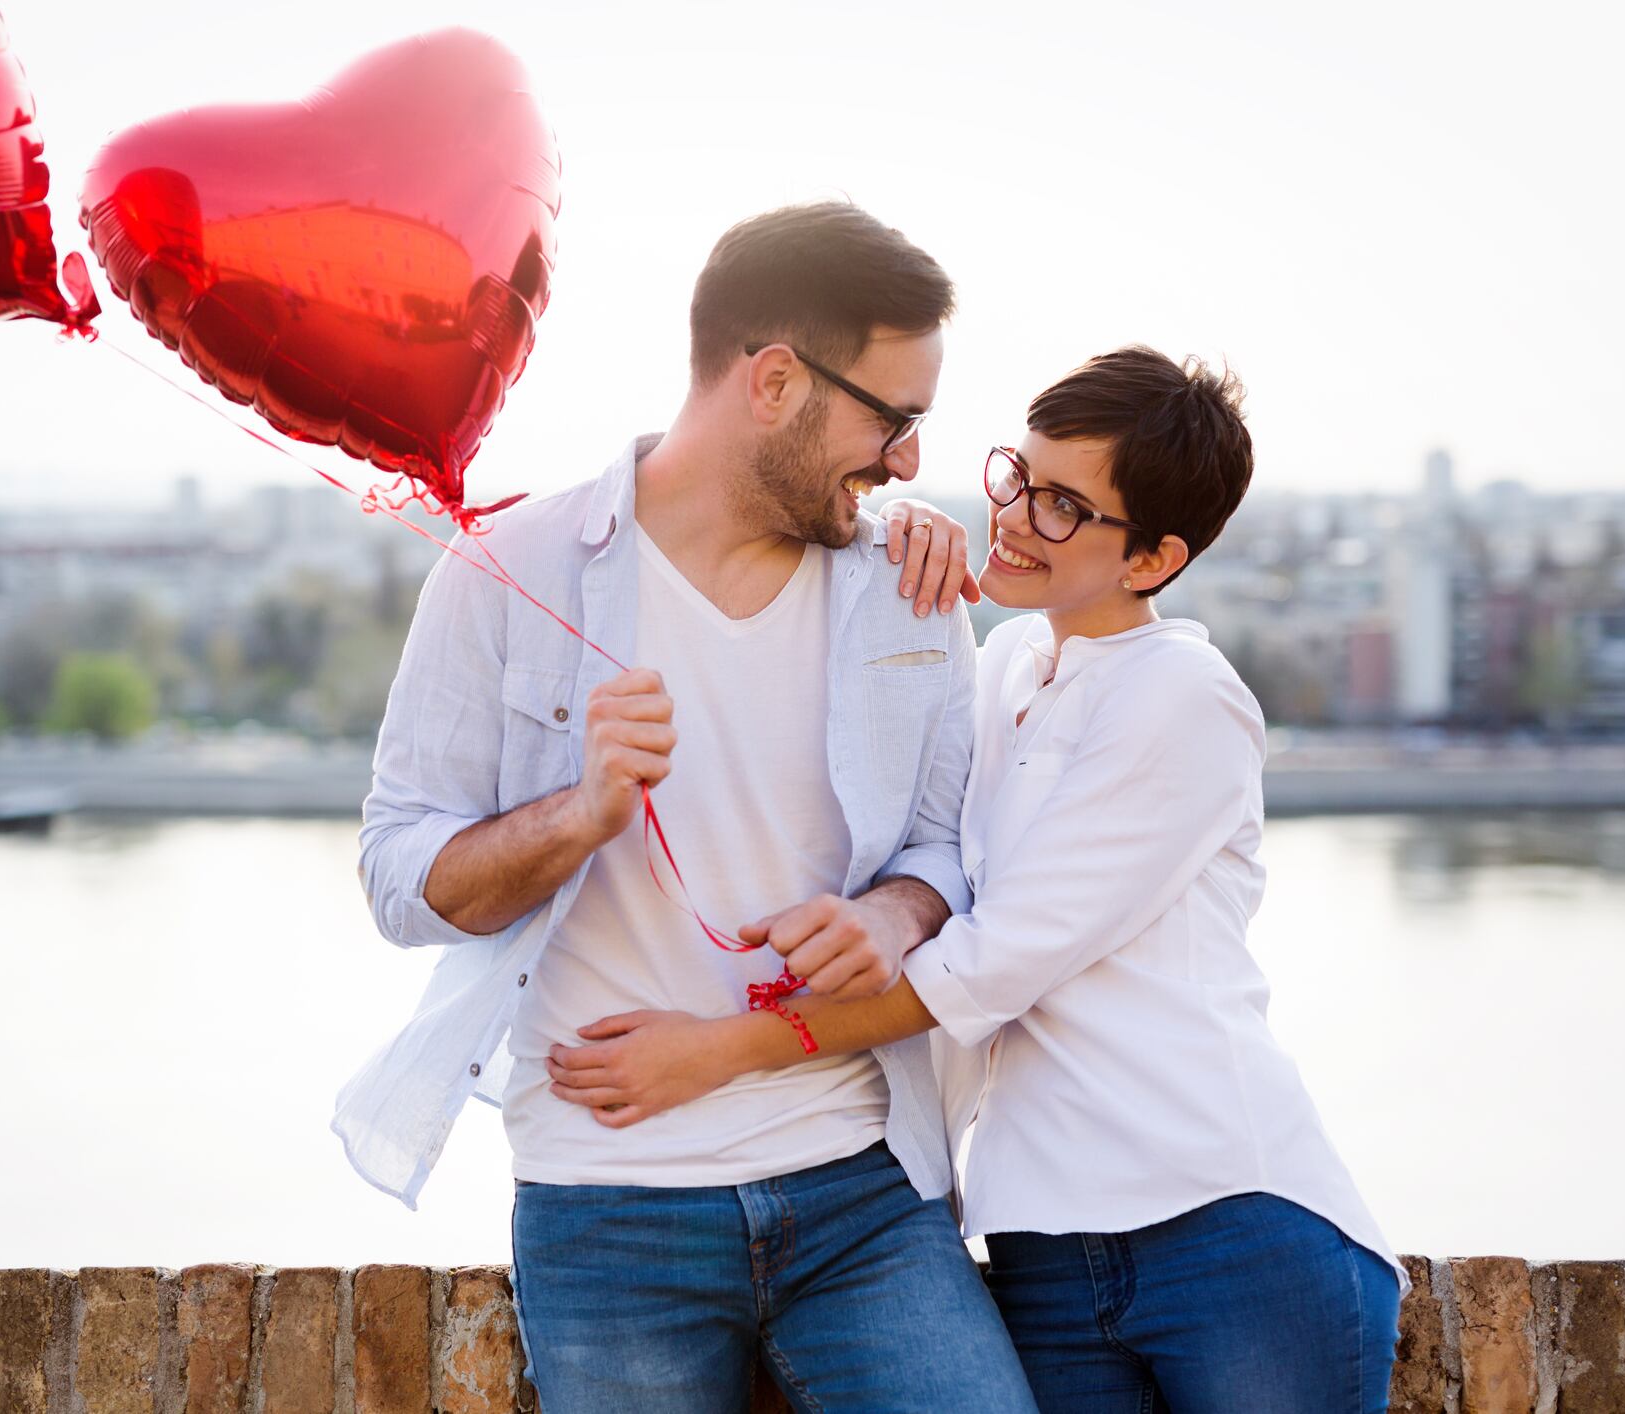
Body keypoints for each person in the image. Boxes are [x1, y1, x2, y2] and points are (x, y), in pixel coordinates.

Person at [548, 347, 1408, 1413]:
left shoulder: (1184, 694)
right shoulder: (1005, 668)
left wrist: (719, 1051)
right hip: (1042, 1243)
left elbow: (993, 962)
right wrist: (890, 538)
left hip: (1227, 1222)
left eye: (1061, 506)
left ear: (1152, 558)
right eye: (1018, 476)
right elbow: (927, 861)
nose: (1013, 516)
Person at [333, 201, 1037, 1413]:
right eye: (894, 420)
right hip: (608, 1211)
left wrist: (896, 916)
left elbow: (945, 847)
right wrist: (580, 813)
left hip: (864, 1191)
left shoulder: (910, 590)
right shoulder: (508, 572)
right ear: (774, 381)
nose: (912, 463)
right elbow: (402, 882)